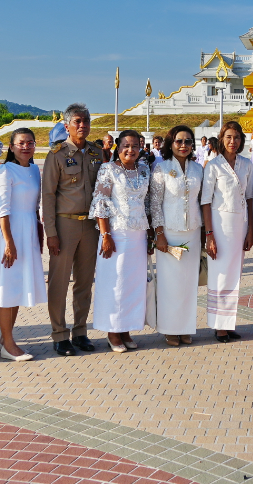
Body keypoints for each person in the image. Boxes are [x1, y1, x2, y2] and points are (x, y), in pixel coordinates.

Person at [41, 103, 103, 355]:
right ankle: (59, 334)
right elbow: (48, 195)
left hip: (90, 225)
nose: (82, 125)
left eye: (86, 121)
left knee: (85, 282)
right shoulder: (56, 154)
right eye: (77, 121)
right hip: (64, 225)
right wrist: (51, 233)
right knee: (59, 282)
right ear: (67, 126)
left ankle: (80, 331)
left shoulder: (97, 153)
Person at [0, 127, 47, 361]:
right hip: (9, 233)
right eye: (21, 143)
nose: (26, 146)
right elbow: (2, 209)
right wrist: (9, 242)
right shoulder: (5, 171)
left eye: (30, 142)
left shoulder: (33, 170)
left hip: (28, 230)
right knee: (7, 286)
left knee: (17, 287)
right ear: (11, 146)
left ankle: (5, 338)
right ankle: (9, 343)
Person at [91, 130, 152, 353]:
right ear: (118, 146)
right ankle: (113, 331)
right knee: (115, 284)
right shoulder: (108, 169)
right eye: (126, 145)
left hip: (138, 235)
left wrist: (151, 233)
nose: (131, 150)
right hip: (116, 234)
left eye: (135, 145)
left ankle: (126, 328)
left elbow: (147, 203)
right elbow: (101, 202)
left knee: (134, 285)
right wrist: (105, 235)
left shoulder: (144, 169)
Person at [148, 125, 203, 346]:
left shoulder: (199, 169)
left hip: (193, 231)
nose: (183, 145)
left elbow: (201, 201)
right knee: (170, 284)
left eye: (188, 141)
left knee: (189, 283)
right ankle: (170, 328)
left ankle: (185, 327)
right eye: (179, 141)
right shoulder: (161, 169)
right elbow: (154, 203)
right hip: (169, 233)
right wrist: (159, 234)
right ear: (171, 144)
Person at [200, 120, 253, 342]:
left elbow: (250, 197)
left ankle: (229, 322)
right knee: (219, 275)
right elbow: (205, 201)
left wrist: (250, 230)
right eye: (229, 137)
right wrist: (209, 235)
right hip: (219, 224)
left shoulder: (246, 164)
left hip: (239, 224)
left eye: (237, 137)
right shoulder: (213, 165)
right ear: (222, 139)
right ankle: (218, 326)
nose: (233, 141)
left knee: (234, 276)